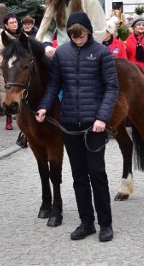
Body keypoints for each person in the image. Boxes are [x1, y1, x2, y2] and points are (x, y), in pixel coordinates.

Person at [35, 12, 118, 242]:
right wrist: (44, 106)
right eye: (73, 36)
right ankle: (86, 222)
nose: (77, 39)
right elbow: (53, 85)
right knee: (78, 176)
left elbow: (112, 88)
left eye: (81, 35)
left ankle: (105, 223)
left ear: (89, 32)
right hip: (70, 123)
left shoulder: (102, 53)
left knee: (97, 174)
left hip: (95, 126)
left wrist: (102, 117)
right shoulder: (62, 53)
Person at [36, 0, 106, 57]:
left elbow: (98, 32)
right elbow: (47, 29)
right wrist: (47, 45)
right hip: (60, 54)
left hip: (84, 54)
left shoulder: (90, 1)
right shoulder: (54, 2)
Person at [0, 12, 20, 131]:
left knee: (21, 95)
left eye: (15, 22)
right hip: (8, 73)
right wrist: (7, 65)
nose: (14, 24)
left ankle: (21, 118)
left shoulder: (21, 35)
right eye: (11, 23)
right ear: (6, 25)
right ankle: (8, 120)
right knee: (8, 95)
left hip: (20, 71)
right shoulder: (2, 38)